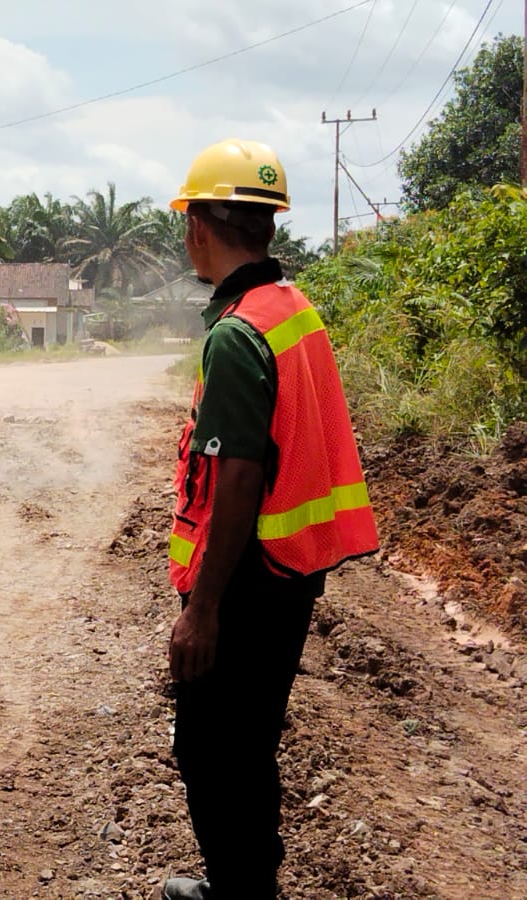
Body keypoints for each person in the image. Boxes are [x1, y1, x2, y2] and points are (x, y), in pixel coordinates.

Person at [162, 139, 380, 900]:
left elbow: (240, 477)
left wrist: (204, 612)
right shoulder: (291, 307)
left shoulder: (235, 335)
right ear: (267, 226)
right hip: (291, 574)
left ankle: (240, 891)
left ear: (198, 226)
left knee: (212, 750)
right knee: (247, 746)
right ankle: (247, 885)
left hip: (247, 583)